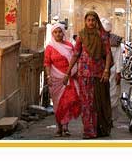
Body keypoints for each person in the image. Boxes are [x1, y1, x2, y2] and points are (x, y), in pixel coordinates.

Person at [63, 11, 112, 139]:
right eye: (88, 20)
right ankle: (88, 131)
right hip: (84, 74)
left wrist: (106, 70)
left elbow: (107, 54)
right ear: (85, 21)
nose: (91, 22)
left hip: (99, 74)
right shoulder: (81, 36)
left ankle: (99, 129)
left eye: (93, 20)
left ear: (97, 22)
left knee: (97, 102)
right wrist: (67, 72)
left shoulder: (103, 36)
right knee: (86, 103)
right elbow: (76, 54)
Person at [44, 23, 81, 137]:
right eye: (55, 32)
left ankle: (65, 126)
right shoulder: (49, 47)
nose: (58, 34)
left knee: (68, 102)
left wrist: (75, 73)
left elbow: (76, 59)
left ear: (63, 33)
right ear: (52, 34)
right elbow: (47, 63)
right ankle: (59, 127)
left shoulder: (69, 45)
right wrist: (48, 77)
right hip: (55, 79)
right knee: (57, 104)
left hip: (69, 78)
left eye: (60, 32)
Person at [101, 18, 123, 127]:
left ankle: (110, 120)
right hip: (99, 72)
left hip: (112, 72)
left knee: (113, 96)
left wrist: (119, 73)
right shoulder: (96, 39)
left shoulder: (115, 41)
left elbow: (119, 58)